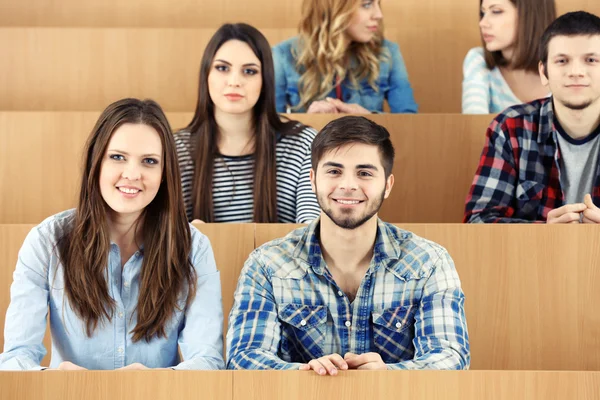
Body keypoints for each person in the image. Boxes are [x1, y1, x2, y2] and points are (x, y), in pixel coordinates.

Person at [227, 116, 470, 373]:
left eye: (364, 173)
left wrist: (390, 375)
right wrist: (303, 374)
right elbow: (244, 357)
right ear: (312, 179)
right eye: (334, 171)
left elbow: (451, 358)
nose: (348, 185)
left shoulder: (428, 261)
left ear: (387, 185)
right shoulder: (267, 263)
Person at [0, 98, 224, 370]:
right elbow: (15, 359)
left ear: (164, 173)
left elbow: (208, 361)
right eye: (117, 157)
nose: (132, 174)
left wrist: (156, 381)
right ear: (97, 161)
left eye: (149, 161)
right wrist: (54, 378)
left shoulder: (193, 247)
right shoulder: (47, 241)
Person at [175, 23, 320, 223]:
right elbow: (167, 236)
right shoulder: (178, 149)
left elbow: (310, 231)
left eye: (249, 71)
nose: (234, 81)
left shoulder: (302, 144)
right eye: (222, 68)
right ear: (206, 75)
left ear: (265, 80)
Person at [464, 11, 600, 223]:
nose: (576, 71)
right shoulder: (509, 127)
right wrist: (543, 231)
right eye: (562, 61)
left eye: (591, 60)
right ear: (544, 73)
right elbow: (479, 221)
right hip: (534, 256)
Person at [273, 0, 417, 114]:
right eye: (367, 4)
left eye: (378, 4)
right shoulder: (283, 55)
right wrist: (308, 123)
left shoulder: (388, 52)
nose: (379, 15)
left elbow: (409, 120)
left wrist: (369, 118)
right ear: (335, 8)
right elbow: (269, 128)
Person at [462, 0, 555, 114]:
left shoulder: (564, 66)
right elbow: (473, 124)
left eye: (496, 11)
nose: (482, 23)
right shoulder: (479, 60)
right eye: (483, 13)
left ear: (530, 16)